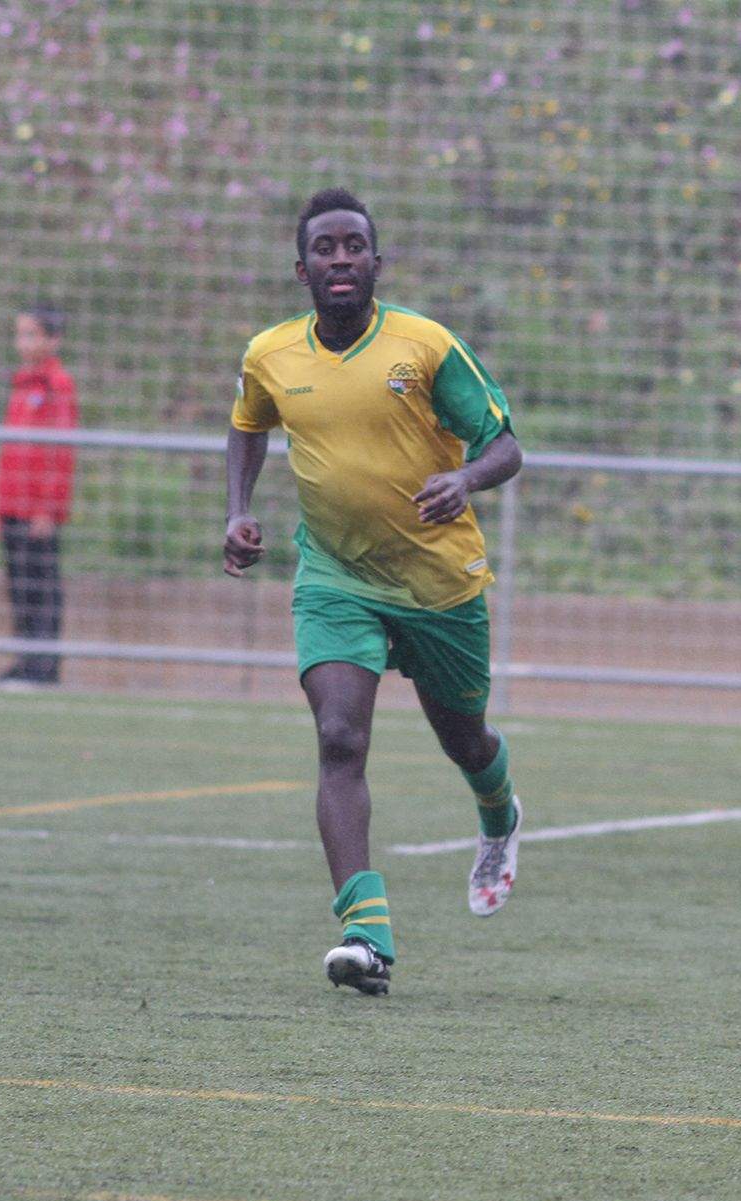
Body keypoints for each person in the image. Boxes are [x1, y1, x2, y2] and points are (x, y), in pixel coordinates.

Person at [224, 187, 528, 997]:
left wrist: (464, 476)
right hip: (335, 577)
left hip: (437, 584)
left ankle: (498, 812)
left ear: (376, 262)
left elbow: (505, 443)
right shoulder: (271, 355)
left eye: (354, 246)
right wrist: (239, 511)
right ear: (303, 269)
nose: (341, 260)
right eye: (325, 249)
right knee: (338, 737)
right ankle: (368, 935)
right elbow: (248, 424)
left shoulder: (424, 346)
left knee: (465, 739)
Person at [0, 306, 77, 686]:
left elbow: (60, 453)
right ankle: (25, 662)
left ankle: (43, 668)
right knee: (20, 587)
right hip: (13, 506)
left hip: (37, 512)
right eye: (19, 334)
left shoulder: (56, 386)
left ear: (51, 340)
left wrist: (47, 508)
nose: (22, 342)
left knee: (42, 589)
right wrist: (1, 508)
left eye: (30, 334)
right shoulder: (22, 384)